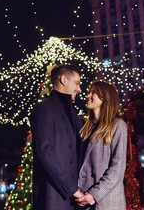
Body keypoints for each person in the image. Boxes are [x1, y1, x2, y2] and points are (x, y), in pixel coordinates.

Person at [30, 64, 85, 210]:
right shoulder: (43, 109)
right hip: (52, 196)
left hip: (76, 199)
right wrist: (72, 189)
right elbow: (46, 152)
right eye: (77, 83)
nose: (79, 89)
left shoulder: (74, 114)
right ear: (63, 80)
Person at [76, 81, 127, 210]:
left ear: (105, 98)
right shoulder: (85, 128)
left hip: (107, 201)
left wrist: (94, 194)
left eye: (93, 92)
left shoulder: (118, 125)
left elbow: (117, 168)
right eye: (89, 92)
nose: (88, 96)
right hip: (84, 200)